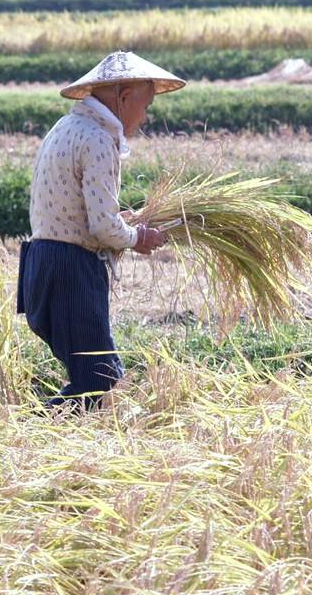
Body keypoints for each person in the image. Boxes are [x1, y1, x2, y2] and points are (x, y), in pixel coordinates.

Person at [17, 50, 186, 411]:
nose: (145, 116)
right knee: (99, 376)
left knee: (96, 375)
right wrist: (139, 237)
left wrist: (126, 221)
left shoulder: (66, 128)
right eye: (146, 105)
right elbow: (103, 226)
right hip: (70, 270)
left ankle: (55, 437)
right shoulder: (97, 139)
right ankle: (35, 431)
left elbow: (83, 211)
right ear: (124, 98)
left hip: (44, 263)